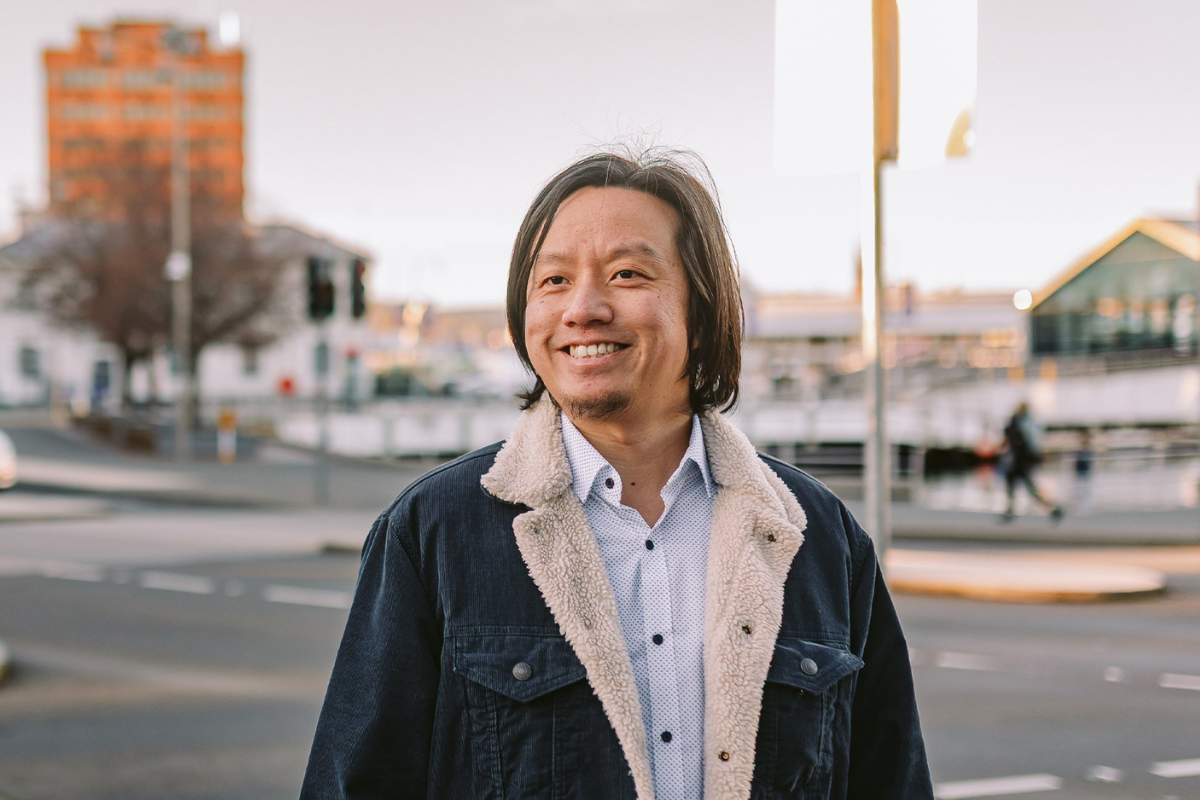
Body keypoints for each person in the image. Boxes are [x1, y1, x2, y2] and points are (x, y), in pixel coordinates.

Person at [300, 150, 934, 799]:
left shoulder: (822, 536)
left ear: (704, 303)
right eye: (552, 282)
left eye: (627, 273)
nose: (582, 308)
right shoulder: (431, 531)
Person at [1000, 401, 1063, 522]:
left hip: (1019, 461)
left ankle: (1010, 511)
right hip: (1022, 461)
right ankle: (1010, 510)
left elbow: (1008, 441)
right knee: (1025, 487)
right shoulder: (1026, 423)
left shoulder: (1017, 423)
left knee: (1022, 487)